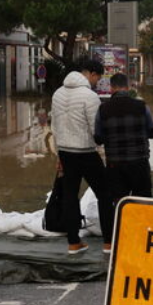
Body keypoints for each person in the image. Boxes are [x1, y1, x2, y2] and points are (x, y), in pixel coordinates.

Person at [51, 59, 111, 254]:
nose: (97, 82)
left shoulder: (57, 93)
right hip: (85, 152)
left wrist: (58, 154)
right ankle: (108, 243)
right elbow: (96, 128)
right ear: (91, 74)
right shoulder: (89, 96)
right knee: (105, 194)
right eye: (98, 78)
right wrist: (101, 149)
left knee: (70, 196)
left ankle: (74, 242)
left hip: (65, 152)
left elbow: (54, 127)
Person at [94, 73, 153, 246]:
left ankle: (121, 240)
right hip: (139, 162)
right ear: (128, 87)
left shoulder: (103, 109)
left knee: (119, 202)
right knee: (142, 202)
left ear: (111, 88)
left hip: (115, 165)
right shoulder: (141, 106)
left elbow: (98, 138)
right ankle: (143, 239)